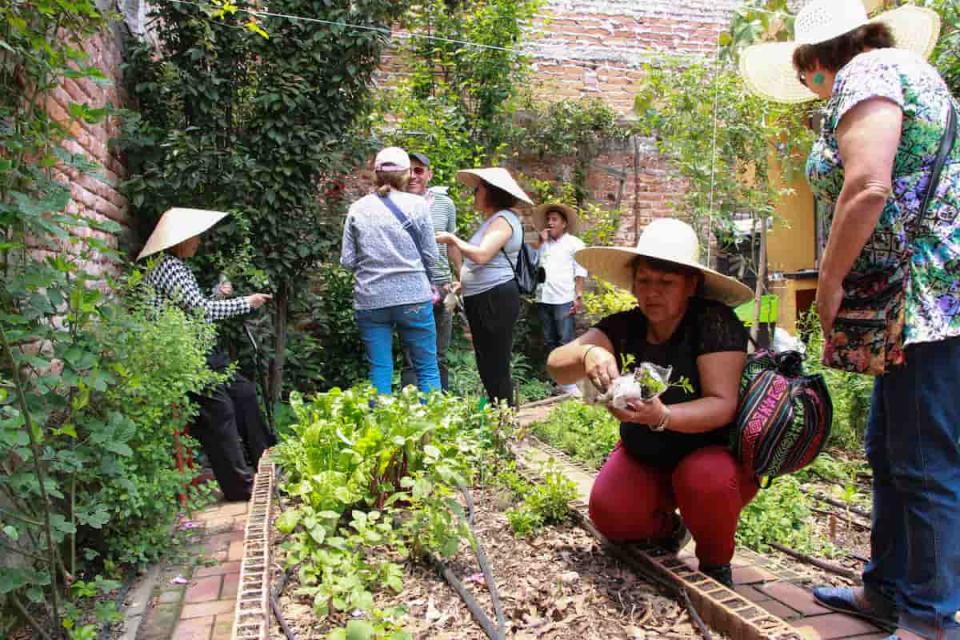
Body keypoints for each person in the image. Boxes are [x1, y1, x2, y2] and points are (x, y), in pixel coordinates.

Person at [740, 1, 959, 637]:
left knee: (924, 461)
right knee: (892, 454)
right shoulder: (893, 71)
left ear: (816, 60)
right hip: (912, 304)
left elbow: (867, 184)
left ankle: (929, 619)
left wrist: (829, 280)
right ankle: (885, 592)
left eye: (806, 76)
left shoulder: (866, 74)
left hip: (928, 302)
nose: (809, 89)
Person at [546, 218, 756, 587]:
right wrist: (589, 354)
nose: (652, 293)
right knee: (611, 514)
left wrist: (661, 416)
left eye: (666, 283)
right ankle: (668, 529)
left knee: (706, 480)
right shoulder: (625, 325)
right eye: (644, 281)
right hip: (647, 453)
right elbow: (555, 366)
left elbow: (723, 405)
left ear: (691, 284)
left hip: (712, 456)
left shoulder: (713, 323)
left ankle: (715, 561)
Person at [139, 207, 274, 502]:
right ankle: (240, 487)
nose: (199, 241)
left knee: (245, 392)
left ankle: (267, 464)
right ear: (180, 239)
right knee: (220, 410)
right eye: (195, 236)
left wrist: (217, 295)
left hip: (200, 352)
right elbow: (201, 311)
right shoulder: (168, 267)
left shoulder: (175, 266)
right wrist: (246, 303)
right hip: (185, 358)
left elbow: (194, 308)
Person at [340, 147, 442, 396]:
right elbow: (432, 256)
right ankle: (435, 430)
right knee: (426, 367)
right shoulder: (418, 206)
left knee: (380, 369)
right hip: (413, 298)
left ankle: (380, 432)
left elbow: (347, 260)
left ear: (376, 174)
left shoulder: (357, 208)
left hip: (371, 299)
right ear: (406, 175)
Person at [435, 168, 533, 406]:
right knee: (486, 360)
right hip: (483, 297)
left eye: (477, 189)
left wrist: (453, 239)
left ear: (492, 192)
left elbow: (482, 255)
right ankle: (496, 411)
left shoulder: (504, 220)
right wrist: (464, 282)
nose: (474, 194)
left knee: (495, 362)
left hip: (495, 298)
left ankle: (504, 417)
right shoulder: (493, 220)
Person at [400, 152, 459, 391]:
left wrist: (460, 277)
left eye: (419, 170)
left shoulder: (445, 204)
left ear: (429, 174)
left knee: (440, 352)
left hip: (442, 286)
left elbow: (452, 242)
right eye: (409, 170)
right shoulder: (395, 203)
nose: (413, 176)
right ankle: (410, 410)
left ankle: (441, 407)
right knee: (411, 355)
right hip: (409, 287)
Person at [531, 203, 587, 396]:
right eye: (548, 219)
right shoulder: (543, 243)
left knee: (566, 340)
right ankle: (557, 382)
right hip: (543, 297)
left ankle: (570, 382)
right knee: (549, 340)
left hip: (564, 297)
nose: (550, 223)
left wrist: (578, 296)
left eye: (554, 219)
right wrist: (539, 243)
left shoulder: (574, 243)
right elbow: (533, 265)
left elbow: (580, 272)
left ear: (564, 223)